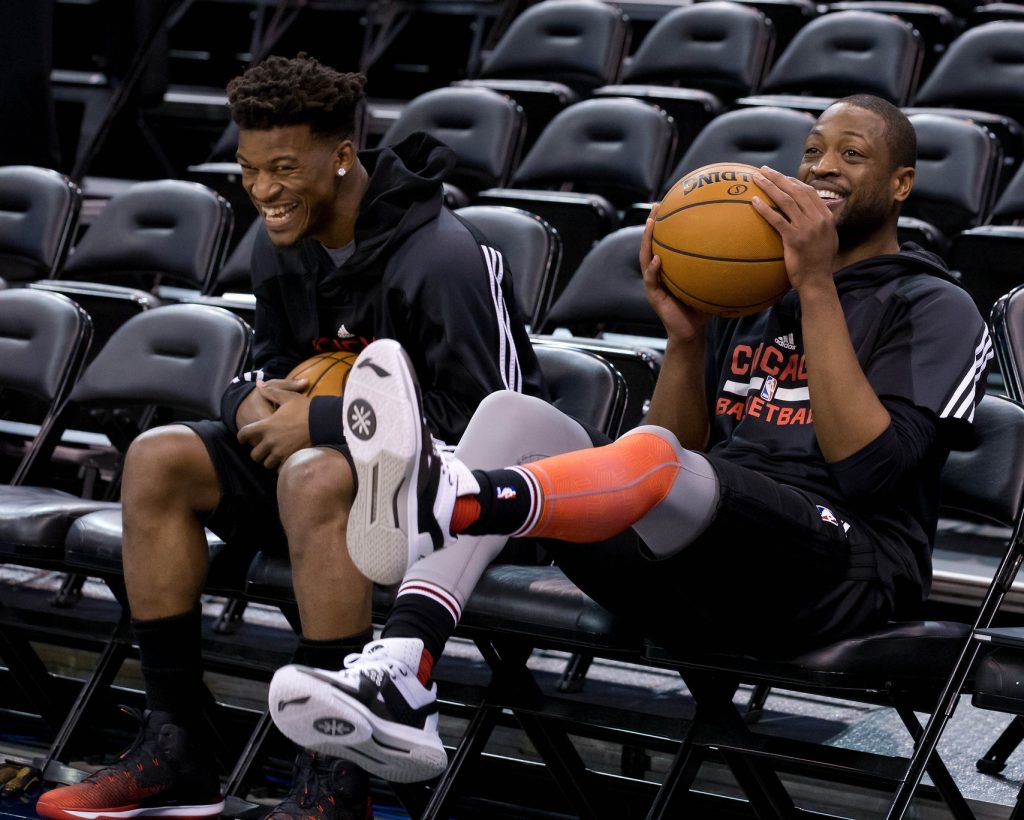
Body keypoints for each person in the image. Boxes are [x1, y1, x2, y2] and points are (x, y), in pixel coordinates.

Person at [266, 95, 993, 782]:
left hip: (841, 573)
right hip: (703, 566)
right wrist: (686, 337)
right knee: (514, 415)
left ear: (901, 183)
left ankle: (453, 494)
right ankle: (404, 671)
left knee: (661, 461)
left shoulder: (935, 305)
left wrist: (815, 287)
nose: (821, 166)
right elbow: (670, 454)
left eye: (851, 153)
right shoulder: (752, 293)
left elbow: (871, 473)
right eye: (811, 151)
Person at [35, 54, 543, 820]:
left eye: (281, 168)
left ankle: (334, 773)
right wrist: (248, 403)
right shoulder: (283, 240)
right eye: (247, 169)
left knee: (311, 472)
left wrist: (324, 422)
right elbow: (271, 364)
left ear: (341, 157)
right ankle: (179, 742)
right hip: (332, 478)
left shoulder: (445, 258)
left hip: (452, 507)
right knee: (158, 457)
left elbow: (494, 424)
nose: (263, 191)